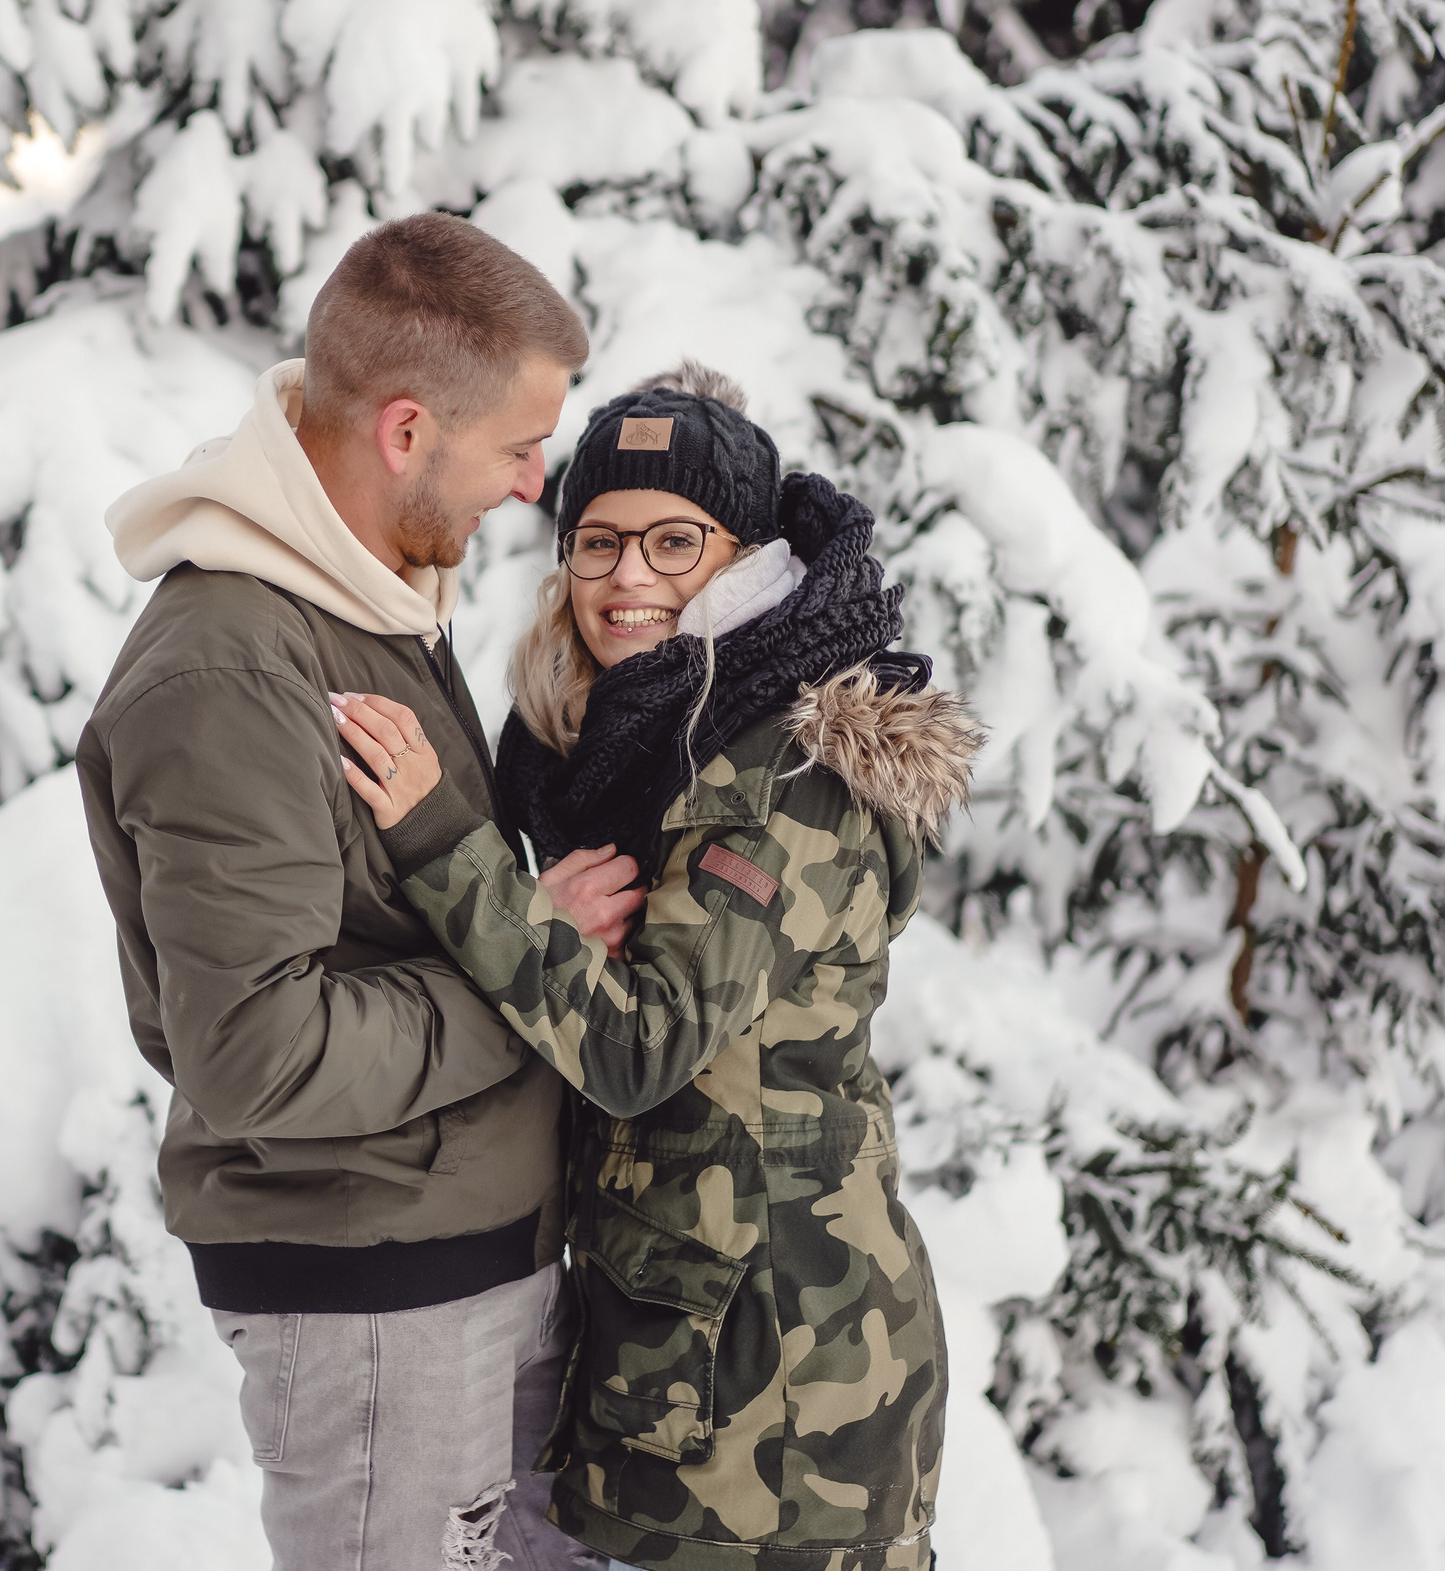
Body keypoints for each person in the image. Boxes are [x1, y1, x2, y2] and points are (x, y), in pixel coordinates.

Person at [331, 362, 981, 1571]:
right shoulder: (645, 741)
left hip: (784, 1394)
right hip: (684, 1344)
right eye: (597, 543)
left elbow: (638, 1047)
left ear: (749, 560)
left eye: (673, 543)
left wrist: (441, 849)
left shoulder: (783, 774)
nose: (627, 579)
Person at [76, 212, 610, 1571]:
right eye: (516, 447)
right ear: (407, 430)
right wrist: (526, 970)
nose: (535, 482)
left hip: (461, 1250)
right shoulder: (235, 670)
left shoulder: (366, 598)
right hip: (378, 1289)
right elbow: (256, 1052)